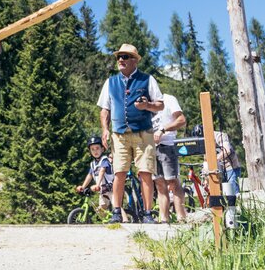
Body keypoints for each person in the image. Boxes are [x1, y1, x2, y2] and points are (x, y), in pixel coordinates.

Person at [96, 44, 164, 224]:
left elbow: (160, 105)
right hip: (119, 134)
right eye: (119, 57)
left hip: (144, 133)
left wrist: (147, 106)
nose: (120, 60)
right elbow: (105, 110)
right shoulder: (110, 82)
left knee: (145, 172)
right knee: (119, 172)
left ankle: (148, 213)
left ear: (134, 60)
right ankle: (117, 212)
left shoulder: (147, 79)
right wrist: (104, 129)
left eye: (125, 57)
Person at [152, 93, 188, 223]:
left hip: (168, 145)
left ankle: (181, 217)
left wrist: (163, 129)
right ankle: (164, 219)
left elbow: (181, 120)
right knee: (159, 184)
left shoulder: (168, 99)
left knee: (172, 182)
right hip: (152, 148)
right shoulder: (145, 104)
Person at [192, 124, 242, 195]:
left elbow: (227, 150)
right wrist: (206, 179)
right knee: (220, 195)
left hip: (230, 167)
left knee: (233, 194)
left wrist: (215, 159)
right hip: (218, 171)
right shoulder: (203, 142)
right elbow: (206, 159)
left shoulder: (219, 136)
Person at [75, 136, 114, 211]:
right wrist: (83, 187)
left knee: (117, 207)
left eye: (97, 148)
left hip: (111, 188)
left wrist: (97, 184)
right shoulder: (93, 164)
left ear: (102, 149)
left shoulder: (104, 160)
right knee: (101, 210)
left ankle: (125, 220)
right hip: (102, 190)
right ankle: (108, 222)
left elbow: (102, 171)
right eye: (92, 149)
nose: (95, 151)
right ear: (90, 151)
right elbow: (89, 176)